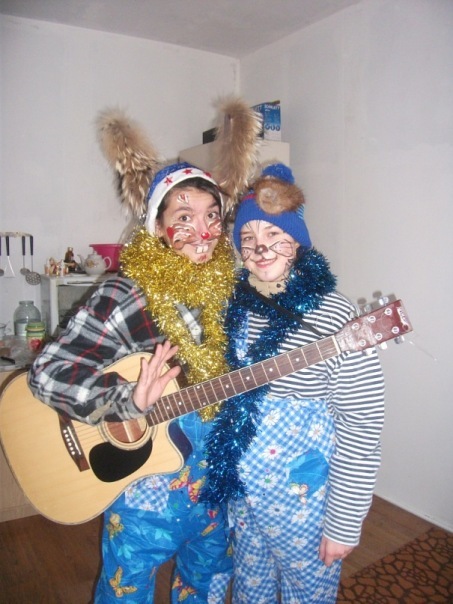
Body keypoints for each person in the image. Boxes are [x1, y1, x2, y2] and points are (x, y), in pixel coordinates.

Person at [28, 99, 261, 603]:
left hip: (215, 487)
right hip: (144, 494)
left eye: (212, 215)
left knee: (205, 586)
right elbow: (46, 372)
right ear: (157, 226)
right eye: (184, 216)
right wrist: (127, 401)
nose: (203, 232)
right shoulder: (126, 293)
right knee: (126, 593)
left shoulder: (233, 289)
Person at [202, 164, 385, 603]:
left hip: (303, 504)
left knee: (307, 595)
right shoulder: (235, 308)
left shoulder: (335, 314)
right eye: (248, 238)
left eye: (274, 234)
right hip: (244, 498)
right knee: (251, 590)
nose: (260, 248)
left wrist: (344, 522)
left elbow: (362, 423)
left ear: (298, 242)